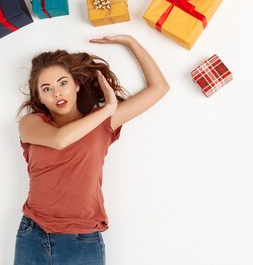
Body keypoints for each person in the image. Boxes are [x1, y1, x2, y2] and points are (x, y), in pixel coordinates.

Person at [14, 35, 169, 265]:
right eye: (47, 88)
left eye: (62, 83)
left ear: (76, 84)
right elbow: (59, 140)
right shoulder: (31, 124)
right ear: (40, 98)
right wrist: (108, 109)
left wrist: (131, 42)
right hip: (33, 233)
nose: (57, 93)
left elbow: (159, 88)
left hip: (82, 239)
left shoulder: (102, 123)